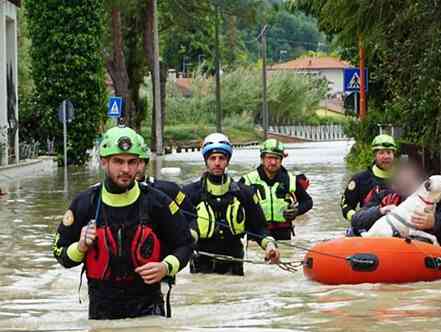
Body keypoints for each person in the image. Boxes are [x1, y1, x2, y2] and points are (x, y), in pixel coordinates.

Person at [51, 127, 194, 319]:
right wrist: (81, 246)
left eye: (131, 162)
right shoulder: (85, 203)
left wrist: (166, 267)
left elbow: (185, 244)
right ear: (103, 162)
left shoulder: (157, 202)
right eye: (118, 161)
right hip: (101, 317)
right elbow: (59, 252)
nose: (126, 169)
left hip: (149, 314)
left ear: (139, 164)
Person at [182, 133, 280, 276]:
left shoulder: (245, 193)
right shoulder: (189, 193)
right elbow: (177, 230)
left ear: (228, 161)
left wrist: (270, 246)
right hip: (201, 265)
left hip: (234, 264)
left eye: (221, 158)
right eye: (212, 158)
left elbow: (260, 228)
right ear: (206, 160)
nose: (217, 163)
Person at [351, 161, 441, 246]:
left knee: (421, 240)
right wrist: (379, 211)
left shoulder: (437, 202)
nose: (405, 179)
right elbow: (356, 220)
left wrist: (435, 223)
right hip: (382, 246)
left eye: (410, 175)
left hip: (418, 249)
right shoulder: (384, 196)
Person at [240, 139, 312, 241]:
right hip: (256, 234)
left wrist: (297, 211)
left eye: (277, 158)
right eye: (269, 158)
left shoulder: (290, 180)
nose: (273, 162)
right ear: (262, 159)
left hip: (283, 234)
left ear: (281, 160)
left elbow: (308, 201)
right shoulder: (247, 180)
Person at [341, 134, 397, 235]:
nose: (386, 156)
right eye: (381, 153)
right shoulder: (360, 179)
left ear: (394, 154)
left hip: (396, 230)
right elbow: (346, 205)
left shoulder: (404, 179)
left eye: (389, 152)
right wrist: (356, 218)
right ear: (374, 155)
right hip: (367, 230)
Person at [135, 141, 194, 218]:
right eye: (121, 162)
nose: (134, 167)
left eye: (139, 162)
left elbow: (191, 216)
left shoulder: (171, 189)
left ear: (146, 164)